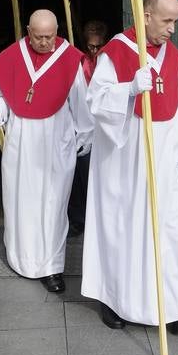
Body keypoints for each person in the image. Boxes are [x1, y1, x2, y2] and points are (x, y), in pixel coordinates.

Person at [81, 0, 178, 333]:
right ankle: (113, 299)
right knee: (125, 229)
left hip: (163, 156)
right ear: (146, 15)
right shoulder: (117, 50)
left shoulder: (172, 55)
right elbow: (96, 101)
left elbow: (175, 106)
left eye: (175, 21)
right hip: (126, 157)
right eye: (167, 20)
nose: (172, 28)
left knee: (172, 229)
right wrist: (129, 89)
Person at [0, 9, 93, 293]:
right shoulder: (10, 57)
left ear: (57, 31)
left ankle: (51, 267)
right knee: (21, 201)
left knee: (53, 205)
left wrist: (85, 134)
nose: (45, 42)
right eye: (38, 37)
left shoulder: (70, 59)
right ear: (27, 31)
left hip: (57, 142)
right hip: (21, 143)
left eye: (50, 36)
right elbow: (0, 92)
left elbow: (80, 101)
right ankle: (21, 259)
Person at [68, 20, 109, 236]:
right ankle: (78, 219)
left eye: (98, 46)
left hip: (103, 125)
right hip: (82, 125)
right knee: (78, 173)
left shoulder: (108, 61)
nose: (94, 50)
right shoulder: (79, 62)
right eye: (90, 46)